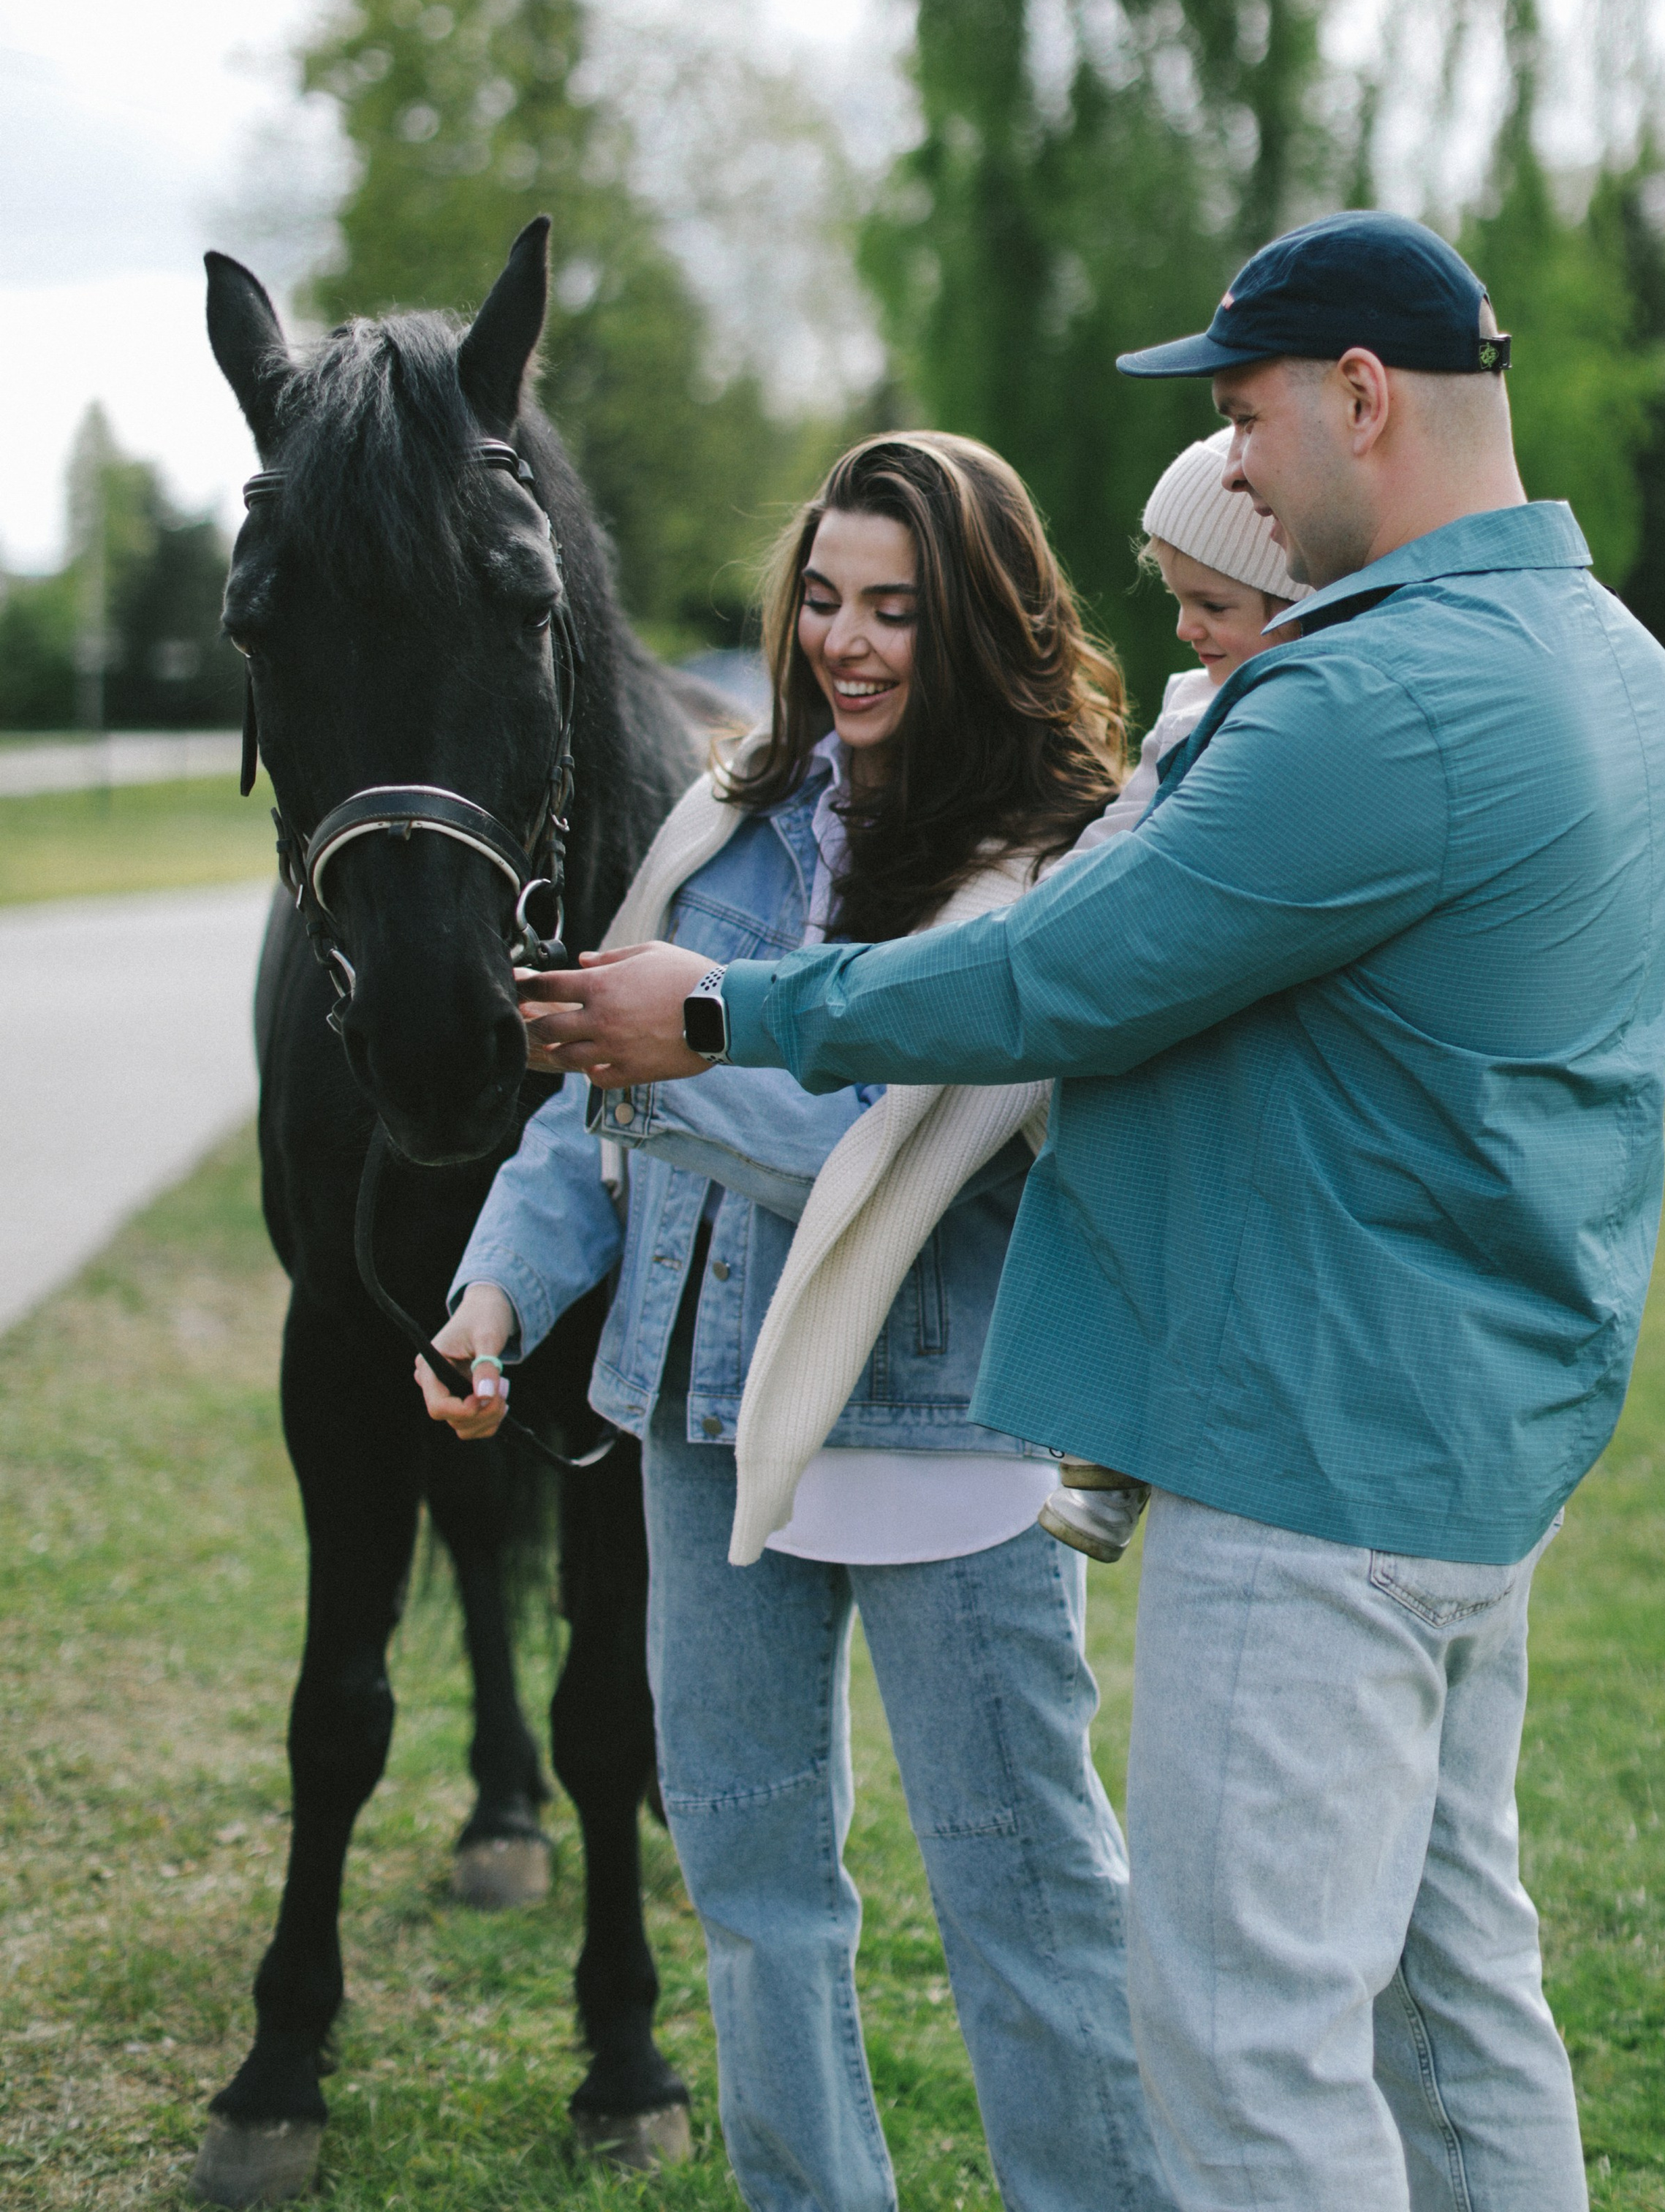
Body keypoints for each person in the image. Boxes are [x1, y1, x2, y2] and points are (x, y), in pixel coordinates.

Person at [515, 211, 1665, 2212]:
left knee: (1242, 2056)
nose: (1231, 471)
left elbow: (1052, 976)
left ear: (1359, 395)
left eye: (1244, 418)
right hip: (1475, 1456)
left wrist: (719, 1005)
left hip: (1310, 1466)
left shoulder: (1371, 699)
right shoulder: (1613, 662)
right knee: (1451, 2000)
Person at [420, 432, 1172, 2212]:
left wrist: (665, 1057)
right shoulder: (727, 815)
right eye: (822, 598)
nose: (845, 640)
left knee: (1029, 1905)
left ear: (980, 622)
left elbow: (874, 1146)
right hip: (700, 1424)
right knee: (755, 1904)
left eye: (895, 609)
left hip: (946, 1442)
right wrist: (495, 1295)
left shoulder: (1052, 864)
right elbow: (579, 1116)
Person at [1040, 426, 1309, 1562]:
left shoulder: (1287, 717)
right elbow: (1123, 825)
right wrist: (1057, 894)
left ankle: (1114, 1454)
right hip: (1149, 985)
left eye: (1217, 606)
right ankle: (1098, 1451)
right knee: (1096, 1182)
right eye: (1179, 601)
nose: (1190, 628)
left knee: (1158, 1202)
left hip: (1218, 1018)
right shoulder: (1191, 703)